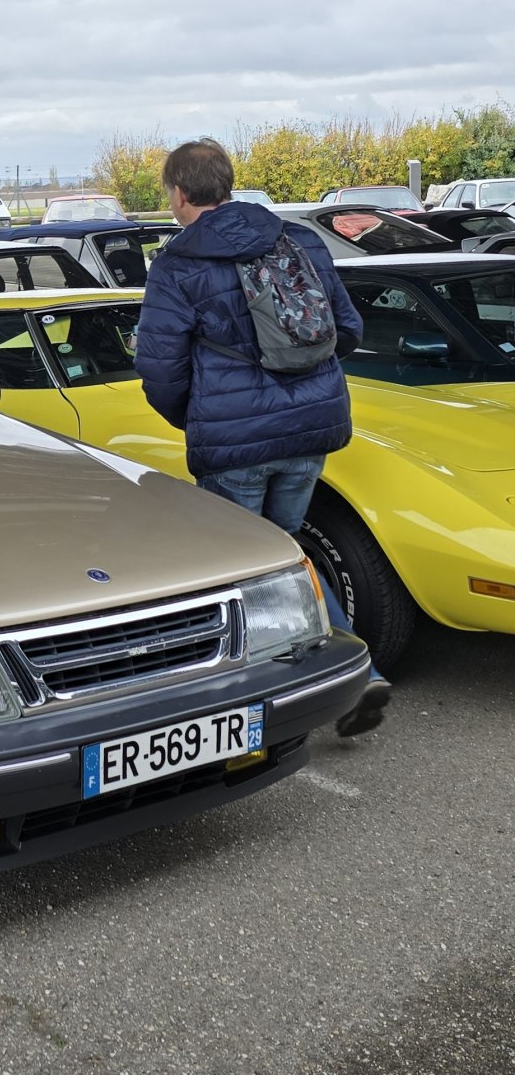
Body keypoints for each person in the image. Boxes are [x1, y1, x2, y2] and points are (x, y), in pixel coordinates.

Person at [135, 138, 389, 738]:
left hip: (235, 440)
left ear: (178, 192)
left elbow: (159, 365)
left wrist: (197, 417)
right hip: (312, 428)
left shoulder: (180, 262)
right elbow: (346, 328)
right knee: (285, 555)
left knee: (241, 571)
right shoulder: (296, 239)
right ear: (226, 182)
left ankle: (254, 708)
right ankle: (356, 675)